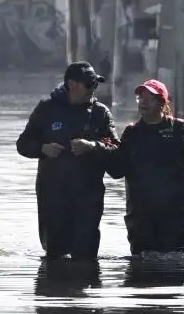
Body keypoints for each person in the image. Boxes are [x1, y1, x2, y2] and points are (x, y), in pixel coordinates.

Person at [16, 62, 119, 260]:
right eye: (89, 85)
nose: (93, 89)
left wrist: (92, 146)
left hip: (88, 195)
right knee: (55, 256)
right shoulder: (47, 108)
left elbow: (115, 146)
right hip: (53, 195)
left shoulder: (100, 113)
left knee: (86, 257)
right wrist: (42, 149)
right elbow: (23, 144)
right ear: (72, 85)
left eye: (95, 84)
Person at [107, 79, 184, 257]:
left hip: (175, 214)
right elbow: (117, 171)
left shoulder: (178, 129)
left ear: (162, 103)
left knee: (173, 264)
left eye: (150, 98)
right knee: (142, 268)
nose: (143, 102)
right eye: (140, 97)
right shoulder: (132, 133)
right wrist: (103, 150)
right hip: (141, 216)